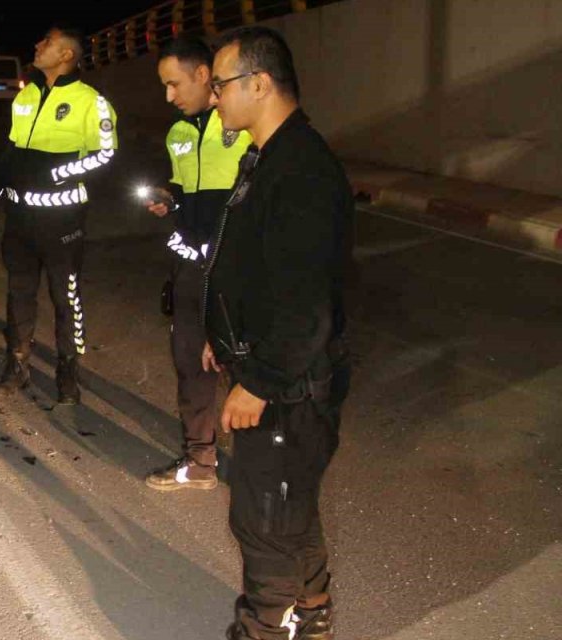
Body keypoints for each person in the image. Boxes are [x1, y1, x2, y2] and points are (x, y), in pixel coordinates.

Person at [202, 27, 352, 640]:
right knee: (288, 506)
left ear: (258, 83)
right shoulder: (267, 156)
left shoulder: (302, 169)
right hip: (269, 368)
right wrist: (225, 334)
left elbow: (306, 302)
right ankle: (313, 612)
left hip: (289, 386)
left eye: (219, 86)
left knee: (263, 518)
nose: (213, 99)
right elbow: (257, 268)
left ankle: (265, 625)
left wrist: (259, 382)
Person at [0, 26, 118, 405]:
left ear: (66, 56)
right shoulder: (25, 95)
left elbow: (105, 155)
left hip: (62, 220)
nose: (37, 45)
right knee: (19, 292)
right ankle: (17, 366)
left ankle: (68, 371)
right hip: (20, 217)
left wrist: (58, 174)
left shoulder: (92, 102)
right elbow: (11, 147)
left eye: (47, 43)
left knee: (66, 297)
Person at [142, 36, 251, 492]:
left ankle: (262, 470)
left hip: (238, 270)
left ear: (203, 74)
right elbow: (184, 189)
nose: (169, 96)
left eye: (174, 84)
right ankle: (200, 461)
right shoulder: (179, 133)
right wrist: (169, 200)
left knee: (247, 368)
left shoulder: (244, 127)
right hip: (191, 266)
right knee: (191, 363)